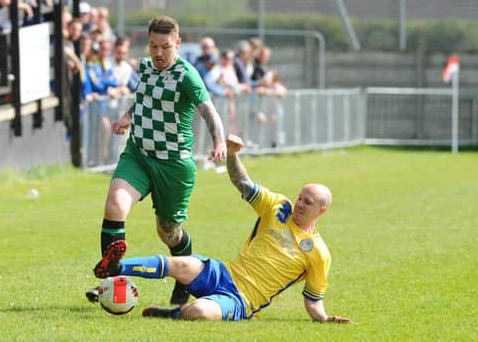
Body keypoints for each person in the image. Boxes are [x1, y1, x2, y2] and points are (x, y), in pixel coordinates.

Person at [95, 135, 352, 323]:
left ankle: (170, 313)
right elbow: (243, 183)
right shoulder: (278, 206)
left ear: (322, 210)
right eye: (300, 197)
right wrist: (232, 154)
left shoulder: (318, 253)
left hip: (242, 299)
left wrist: (325, 318)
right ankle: (115, 267)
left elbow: (313, 299)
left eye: (309, 202)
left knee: (200, 312)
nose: (300, 204)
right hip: (224, 272)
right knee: (181, 264)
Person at [86, 16, 227, 306]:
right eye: (153, 45)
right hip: (138, 154)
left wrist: (219, 141)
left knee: (168, 231)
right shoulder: (146, 66)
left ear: (177, 43)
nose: (158, 53)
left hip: (173, 164)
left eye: (165, 46)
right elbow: (144, 97)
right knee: (115, 205)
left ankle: (185, 278)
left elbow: (208, 110)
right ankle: (111, 282)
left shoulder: (187, 75)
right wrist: (127, 117)